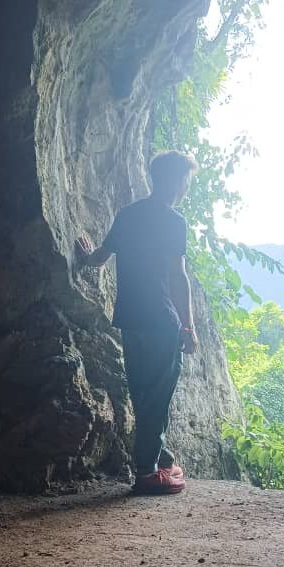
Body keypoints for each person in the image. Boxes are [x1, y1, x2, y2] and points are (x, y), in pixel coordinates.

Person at [77, 150, 199, 495]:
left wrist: (85, 256)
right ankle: (147, 471)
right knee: (157, 397)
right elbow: (178, 277)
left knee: (143, 393)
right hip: (161, 320)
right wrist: (188, 329)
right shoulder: (174, 221)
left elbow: (99, 259)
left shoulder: (128, 215)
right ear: (176, 181)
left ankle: (160, 459)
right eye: (186, 179)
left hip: (131, 318)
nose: (186, 186)